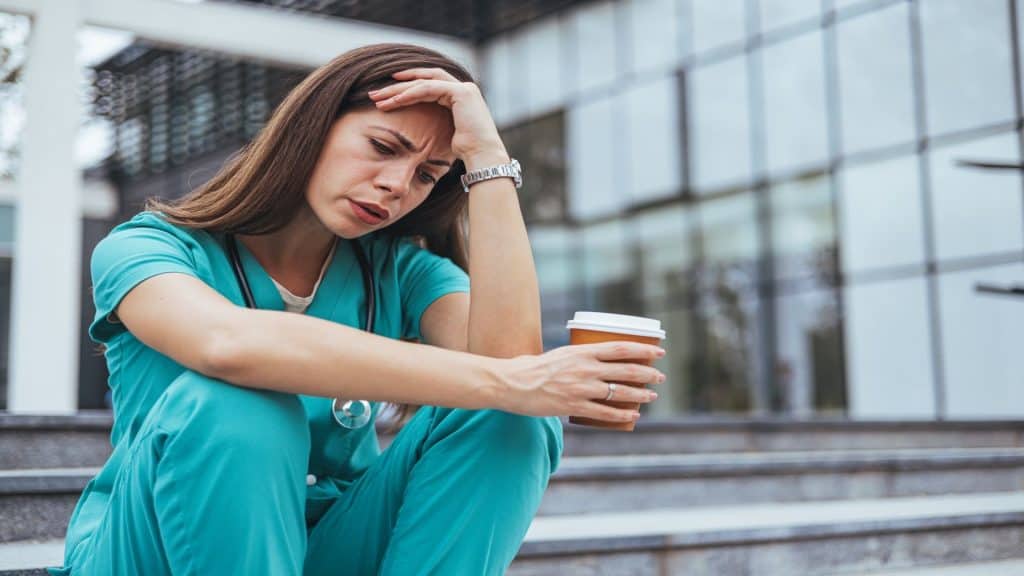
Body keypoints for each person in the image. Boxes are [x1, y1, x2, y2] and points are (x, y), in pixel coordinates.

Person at [49, 43, 666, 576]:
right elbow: (225, 345)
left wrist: (487, 161)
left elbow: (510, 371)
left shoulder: (401, 270)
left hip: (336, 541)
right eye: (382, 146)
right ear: (312, 128)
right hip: (154, 543)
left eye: (427, 174)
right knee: (236, 398)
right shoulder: (149, 246)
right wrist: (514, 381)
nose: (398, 184)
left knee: (512, 417)